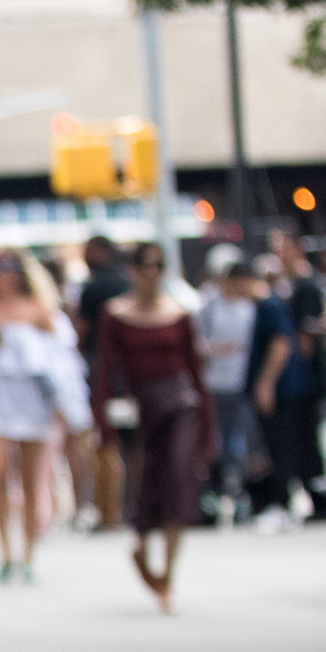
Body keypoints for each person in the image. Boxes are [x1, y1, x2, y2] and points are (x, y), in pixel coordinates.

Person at [92, 243, 213, 613]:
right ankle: (142, 545)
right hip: (141, 410)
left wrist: (209, 427)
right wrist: (104, 424)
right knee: (144, 485)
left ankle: (169, 577)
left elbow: (195, 371)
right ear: (133, 270)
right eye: (146, 265)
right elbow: (105, 372)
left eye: (159, 265)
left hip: (181, 406)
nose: (152, 272)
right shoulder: (116, 314)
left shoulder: (178, 314)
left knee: (179, 480)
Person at [0, 250, 80, 584]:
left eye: (12, 269)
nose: (6, 275)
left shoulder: (41, 311)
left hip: (31, 397)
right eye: (0, 268)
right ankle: (6, 551)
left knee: (32, 478)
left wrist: (67, 405)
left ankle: (30, 554)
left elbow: (62, 359)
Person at [252, 230, 326, 523]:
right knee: (299, 444)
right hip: (296, 380)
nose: (277, 252)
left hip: (301, 382)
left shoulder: (306, 287)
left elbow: (305, 339)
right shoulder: (288, 287)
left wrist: (298, 375)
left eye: (281, 246)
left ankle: (319, 501)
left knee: (305, 444)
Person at [195, 248, 265, 520]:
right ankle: (216, 490)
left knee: (244, 441)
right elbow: (197, 343)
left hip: (242, 384)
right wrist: (214, 350)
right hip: (215, 384)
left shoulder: (251, 307)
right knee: (216, 441)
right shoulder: (209, 307)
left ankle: (240, 491)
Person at [72, 233, 135, 528]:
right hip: (132, 371)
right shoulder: (128, 282)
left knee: (105, 441)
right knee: (132, 442)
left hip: (103, 372)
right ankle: (129, 508)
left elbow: (81, 333)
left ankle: (110, 512)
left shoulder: (94, 287)